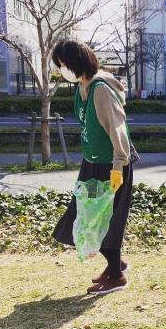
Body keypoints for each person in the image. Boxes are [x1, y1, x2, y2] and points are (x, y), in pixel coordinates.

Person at [51, 40, 134, 295]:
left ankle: (117, 276)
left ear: (76, 62)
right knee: (86, 215)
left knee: (106, 218)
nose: (61, 69)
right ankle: (115, 265)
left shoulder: (100, 89)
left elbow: (118, 130)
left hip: (112, 165)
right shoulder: (83, 86)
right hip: (92, 163)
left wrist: (118, 167)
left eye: (63, 64)